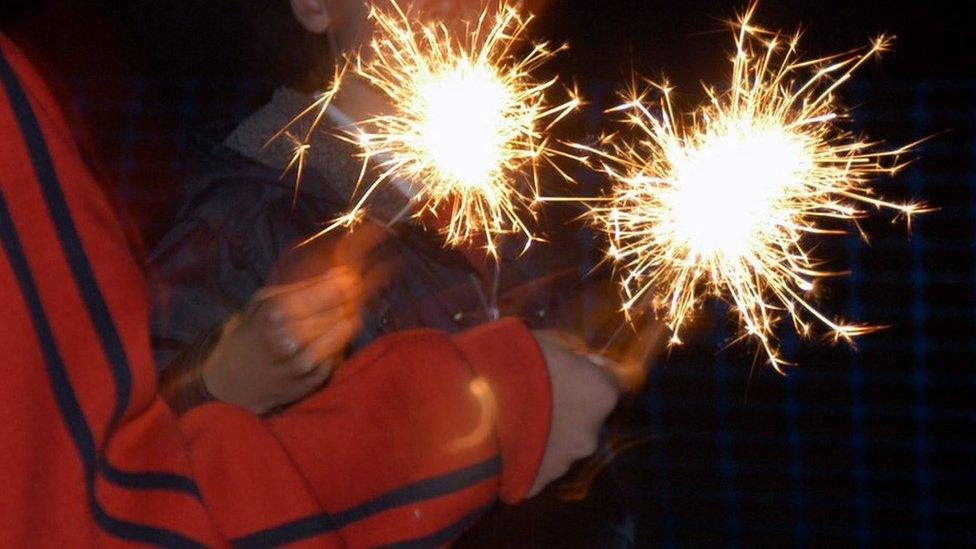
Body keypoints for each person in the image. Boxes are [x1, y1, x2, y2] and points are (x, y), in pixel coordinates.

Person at [0, 27, 621, 547]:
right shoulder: (242, 214)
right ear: (316, 6)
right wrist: (222, 379)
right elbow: (121, 471)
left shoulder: (538, 212)